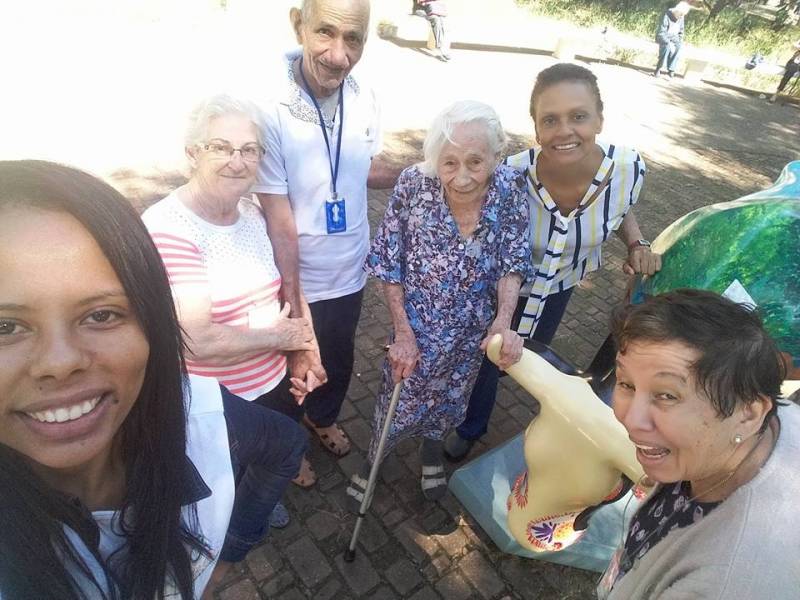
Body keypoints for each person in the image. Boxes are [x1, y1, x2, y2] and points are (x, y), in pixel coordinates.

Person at [0, 160, 306, 599]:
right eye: (6, 327)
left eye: (102, 314)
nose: (60, 362)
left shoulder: (201, 419)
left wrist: (229, 554)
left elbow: (286, 447)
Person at [445, 63, 661, 461]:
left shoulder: (628, 169)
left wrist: (636, 242)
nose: (564, 131)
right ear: (536, 128)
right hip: (500, 289)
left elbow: (618, 209)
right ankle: (470, 426)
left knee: (531, 356)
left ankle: (540, 433)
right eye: (550, 120)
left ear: (599, 118)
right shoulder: (510, 175)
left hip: (559, 287)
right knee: (487, 360)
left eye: (578, 116)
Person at [345, 101, 531, 505]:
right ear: (434, 159)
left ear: (497, 156)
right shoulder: (414, 184)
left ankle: (432, 453)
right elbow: (388, 262)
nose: (461, 177)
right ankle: (372, 462)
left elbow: (512, 262)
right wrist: (403, 333)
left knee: (451, 400)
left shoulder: (512, 188)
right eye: (449, 163)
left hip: (471, 334)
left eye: (475, 162)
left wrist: (502, 320)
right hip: (416, 329)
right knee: (395, 403)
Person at [254, 0, 403, 485]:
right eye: (326, 33)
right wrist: (296, 309)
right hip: (295, 274)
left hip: (349, 269)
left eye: (354, 39)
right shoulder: (266, 107)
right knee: (294, 367)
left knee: (337, 358)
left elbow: (358, 170)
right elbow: (278, 218)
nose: (339, 55)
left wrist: (423, 174)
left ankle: (322, 417)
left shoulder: (366, 97)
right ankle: (290, 441)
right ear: (298, 24)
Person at [142, 95, 313, 501]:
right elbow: (197, 339)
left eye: (249, 150)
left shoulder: (251, 212)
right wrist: (287, 339)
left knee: (268, 460)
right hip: (220, 402)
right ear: (192, 154)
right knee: (227, 479)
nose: (237, 161)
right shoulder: (170, 230)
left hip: (271, 383)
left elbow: (278, 297)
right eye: (220, 147)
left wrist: (300, 355)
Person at [598, 289, 799, 598]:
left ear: (748, 414)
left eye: (667, 395)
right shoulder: (771, 424)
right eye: (626, 384)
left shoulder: (725, 584)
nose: (630, 418)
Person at [654, 2, 692, 78]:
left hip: (674, 37)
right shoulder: (666, 14)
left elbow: (681, 31)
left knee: (678, 46)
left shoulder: (681, 16)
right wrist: (668, 41)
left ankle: (671, 69)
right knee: (667, 46)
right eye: (681, 14)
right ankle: (659, 68)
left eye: (683, 15)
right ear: (676, 11)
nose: (681, 16)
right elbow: (661, 32)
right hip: (663, 35)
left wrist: (679, 40)